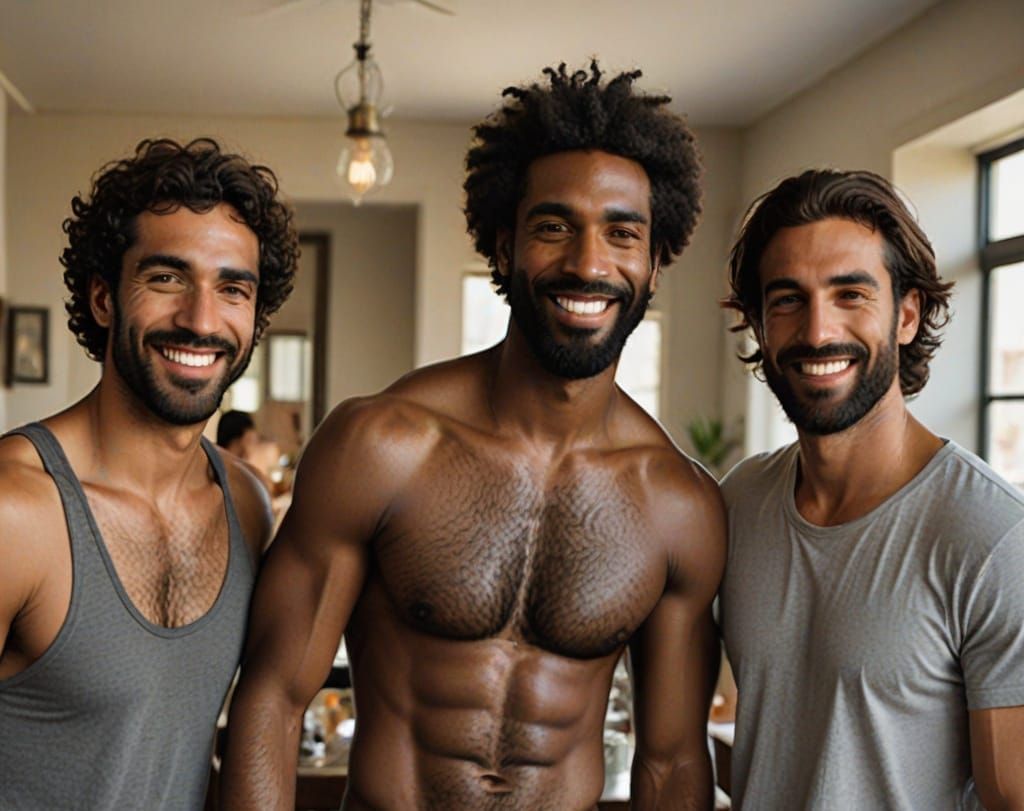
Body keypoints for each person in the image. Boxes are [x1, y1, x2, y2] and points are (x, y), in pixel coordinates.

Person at [222, 62, 725, 810]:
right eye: (553, 226)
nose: (588, 263)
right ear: (502, 245)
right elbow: (273, 701)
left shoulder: (680, 506)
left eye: (622, 233)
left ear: (655, 263)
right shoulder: (382, 445)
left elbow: (673, 764)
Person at [0, 137, 299, 809]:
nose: (201, 319)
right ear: (104, 298)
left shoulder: (244, 503)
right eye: (166, 278)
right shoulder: (15, 510)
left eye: (232, 289)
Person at [719, 169, 1024, 809]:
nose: (817, 330)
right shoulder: (739, 501)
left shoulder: (995, 538)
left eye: (850, 294)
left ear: (907, 313)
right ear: (759, 324)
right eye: (787, 299)